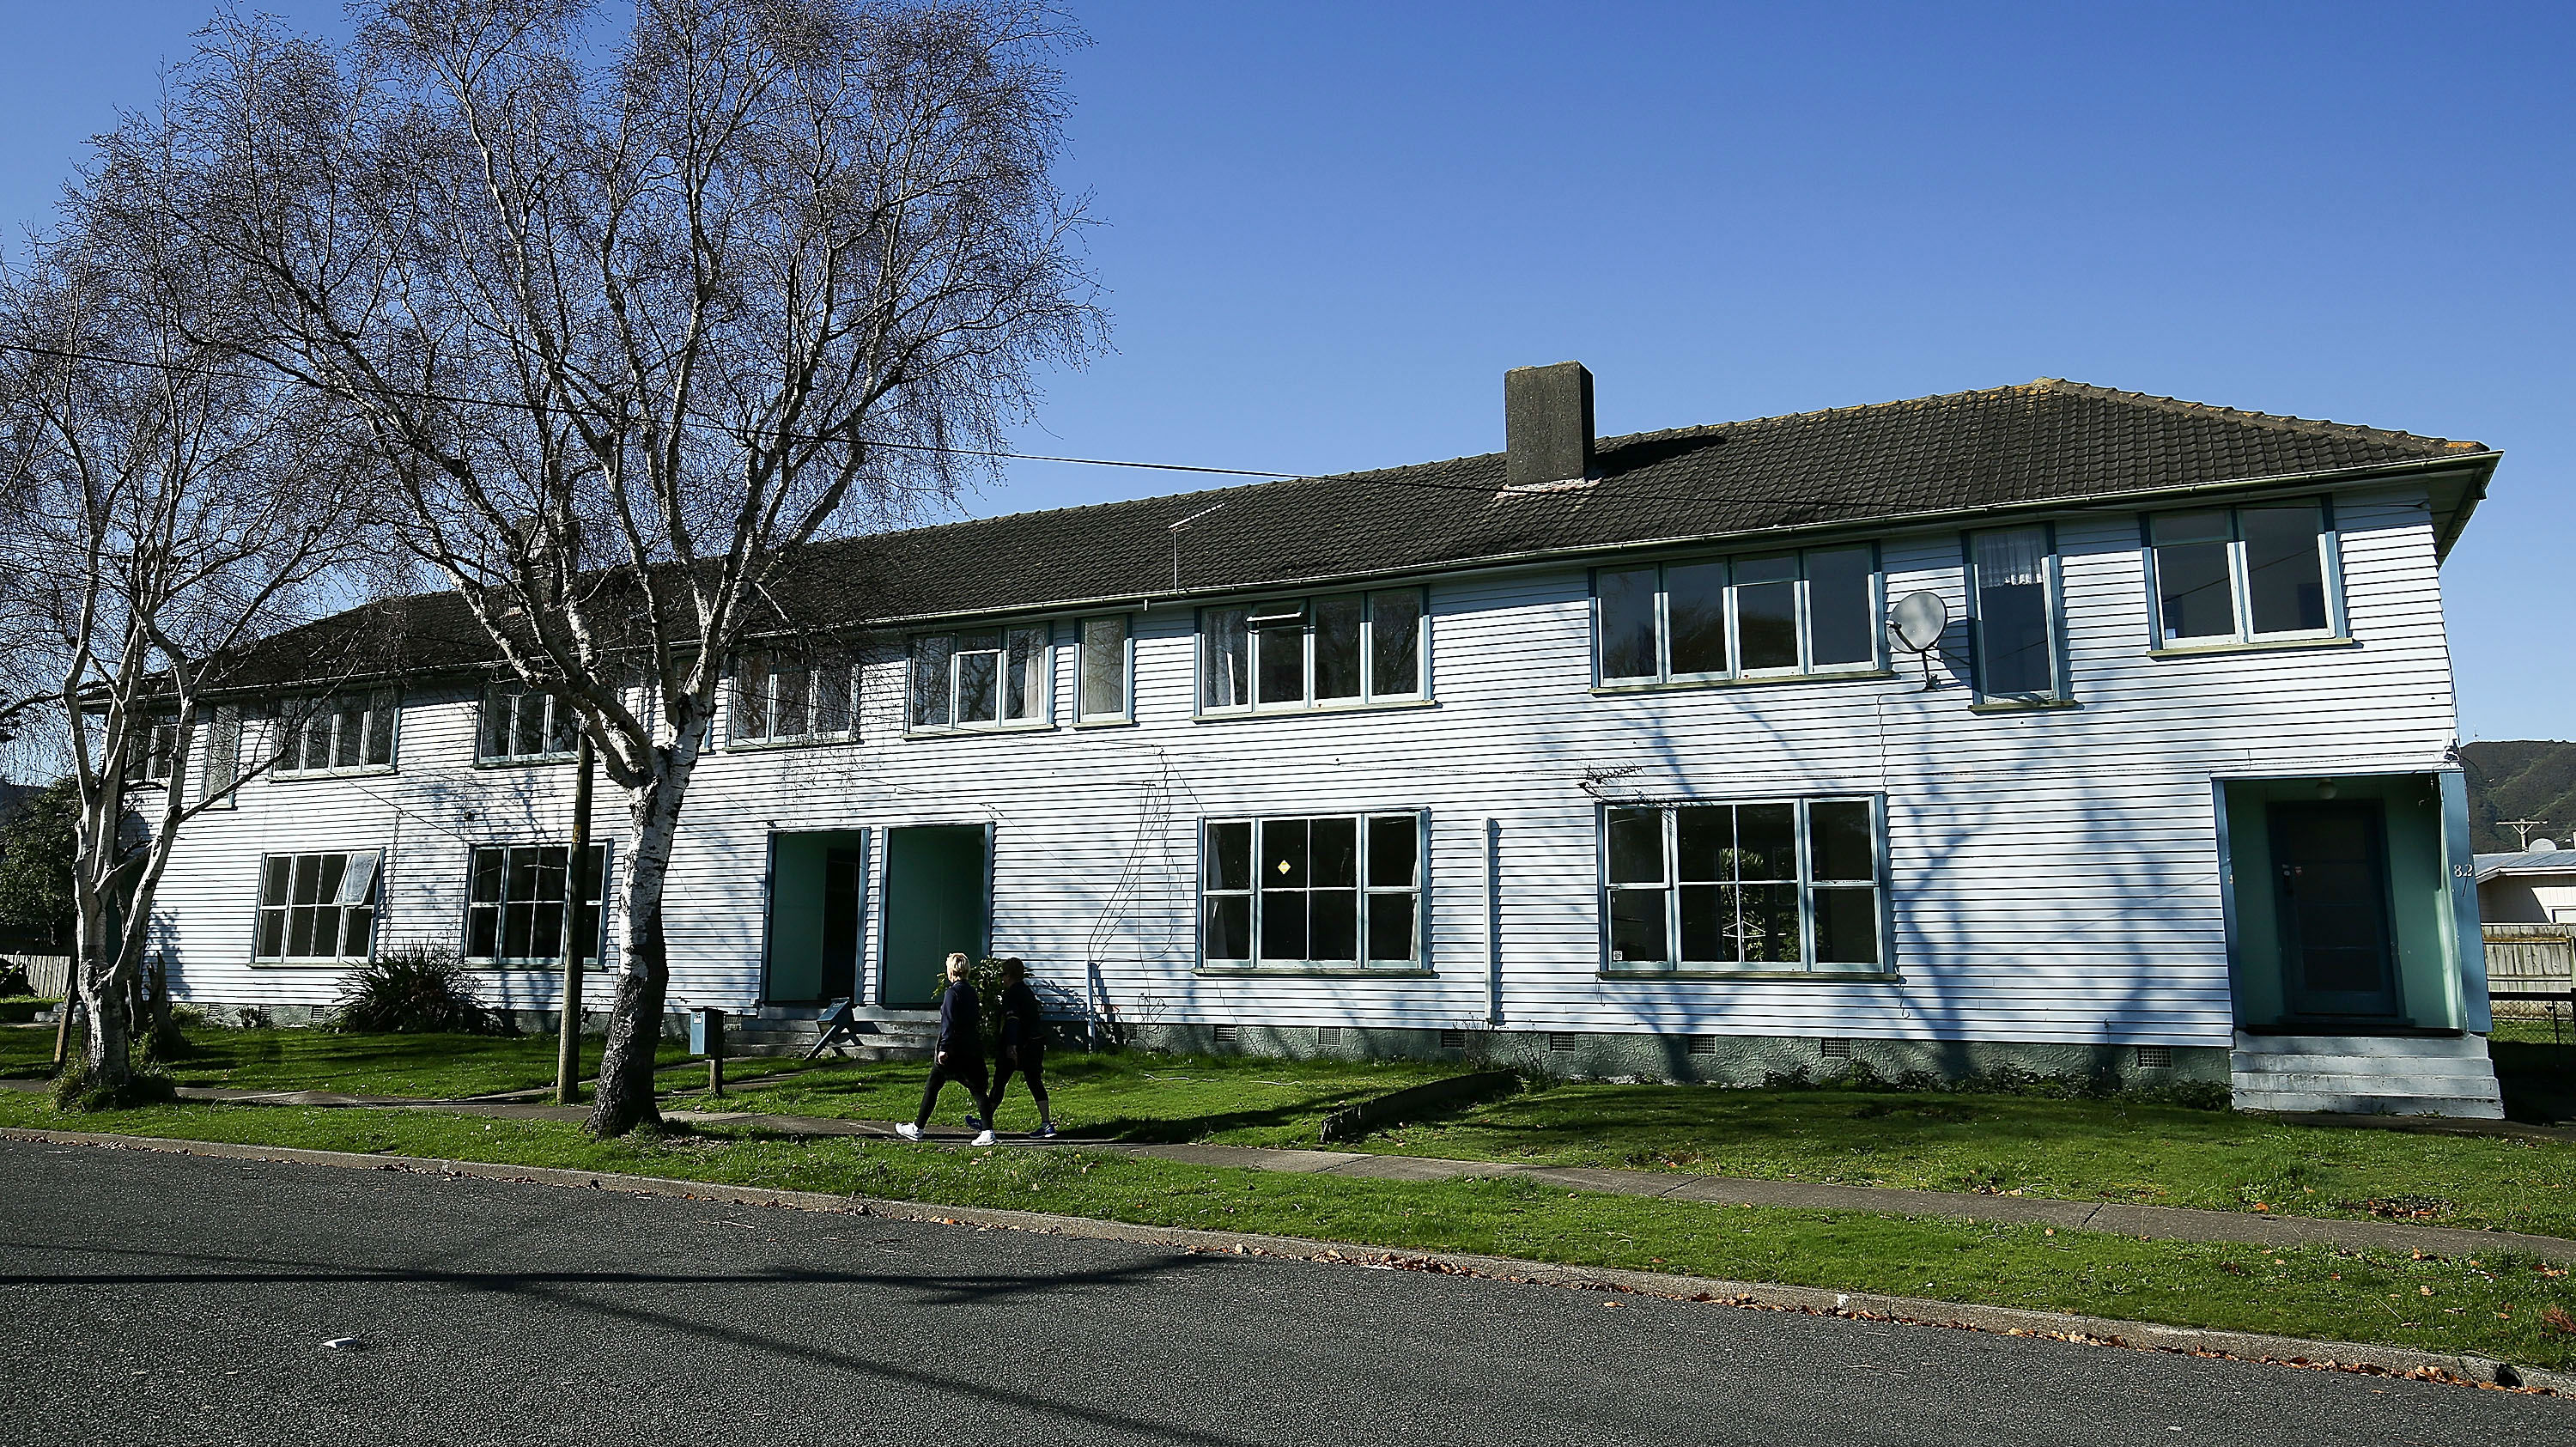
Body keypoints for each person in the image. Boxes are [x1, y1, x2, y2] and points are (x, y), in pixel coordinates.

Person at [896, 953, 998, 1146]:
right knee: (974, 1089)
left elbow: (948, 1022)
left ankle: (918, 1129)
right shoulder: (971, 991)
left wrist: (943, 1048)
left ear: (951, 970)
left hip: (954, 1051)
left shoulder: (953, 993)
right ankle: (987, 1130)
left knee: (935, 1088)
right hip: (971, 1047)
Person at [987, 958, 1056, 1139]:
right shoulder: (1027, 992)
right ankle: (1046, 1123)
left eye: (1002, 975)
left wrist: (1011, 1045)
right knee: (1035, 1081)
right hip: (1035, 1043)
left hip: (1019, 1045)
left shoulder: (1011, 995)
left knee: (1000, 1081)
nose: (1001, 979)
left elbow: (1012, 1021)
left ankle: (986, 1122)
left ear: (1009, 976)